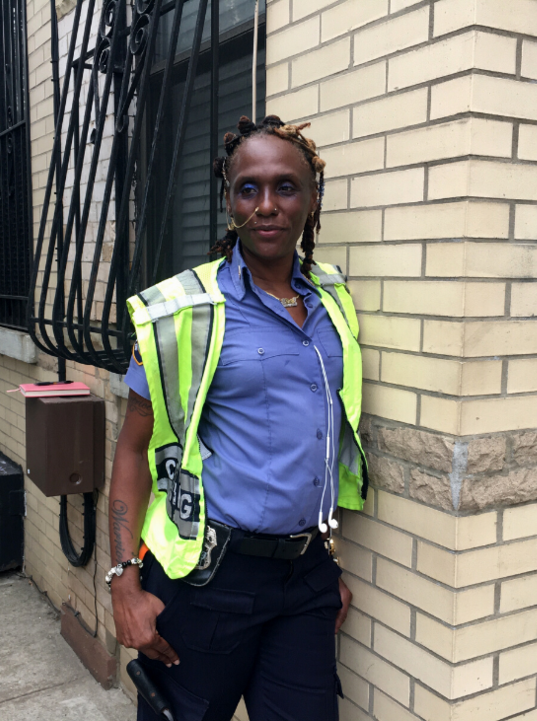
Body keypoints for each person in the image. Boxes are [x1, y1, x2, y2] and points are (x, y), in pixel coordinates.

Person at [108, 115, 368, 721]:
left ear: (311, 199)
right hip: (207, 581)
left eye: (286, 187)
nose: (268, 205)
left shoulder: (333, 302)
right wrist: (124, 581)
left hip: (305, 581)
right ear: (229, 200)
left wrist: (325, 566)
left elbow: (319, 442)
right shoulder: (184, 313)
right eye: (249, 188)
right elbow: (132, 448)